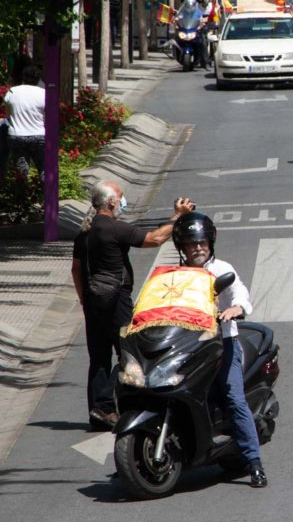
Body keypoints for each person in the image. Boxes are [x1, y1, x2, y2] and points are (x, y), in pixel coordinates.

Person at [70, 182, 195, 429]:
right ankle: (134, 406)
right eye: (121, 197)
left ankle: (100, 409)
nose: (123, 202)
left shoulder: (85, 231)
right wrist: (178, 216)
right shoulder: (115, 229)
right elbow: (155, 239)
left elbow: (76, 270)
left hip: (93, 302)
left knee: (99, 358)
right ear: (111, 202)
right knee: (130, 352)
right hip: (116, 302)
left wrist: (85, 299)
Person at [173, 212, 268, 488]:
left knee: (233, 397)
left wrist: (236, 309)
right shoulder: (174, 275)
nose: (198, 248)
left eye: (202, 243)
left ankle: (254, 463)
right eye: (191, 244)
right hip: (185, 346)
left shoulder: (222, 269)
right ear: (182, 247)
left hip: (221, 344)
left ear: (210, 243)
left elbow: (240, 293)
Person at [3, 64, 46, 179]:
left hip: (17, 136)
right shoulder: (44, 93)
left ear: (23, 77)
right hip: (39, 135)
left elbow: (7, 114)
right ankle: (44, 194)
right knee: (43, 168)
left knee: (21, 170)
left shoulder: (12, 91)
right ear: (38, 79)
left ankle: (21, 193)